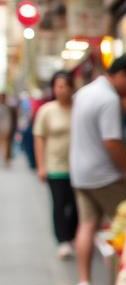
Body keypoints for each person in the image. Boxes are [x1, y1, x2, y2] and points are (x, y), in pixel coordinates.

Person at [66, 56, 126, 285]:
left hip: (81, 173)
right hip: (105, 175)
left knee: (86, 225)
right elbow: (112, 142)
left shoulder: (84, 93)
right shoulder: (109, 99)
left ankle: (84, 283)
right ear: (123, 75)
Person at [33, 72, 78, 258]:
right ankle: (63, 241)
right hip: (55, 167)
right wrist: (41, 166)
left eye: (64, 86)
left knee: (76, 205)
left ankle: (71, 235)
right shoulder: (47, 111)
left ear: (71, 88)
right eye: (57, 86)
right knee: (59, 204)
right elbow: (39, 138)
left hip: (77, 167)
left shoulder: (78, 109)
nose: (61, 90)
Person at [0, 93, 15, 167]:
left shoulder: (9, 107)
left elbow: (11, 119)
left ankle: (6, 158)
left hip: (6, 128)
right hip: (3, 128)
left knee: (6, 144)